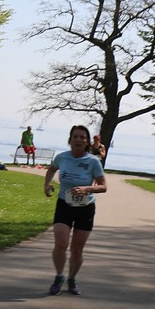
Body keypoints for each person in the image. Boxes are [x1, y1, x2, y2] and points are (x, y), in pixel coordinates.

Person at [43, 125, 107, 296]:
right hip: (64, 204)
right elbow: (51, 169)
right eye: (75, 137)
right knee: (61, 244)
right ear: (70, 139)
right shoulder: (62, 158)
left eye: (82, 137)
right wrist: (47, 184)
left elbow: (103, 186)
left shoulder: (93, 161)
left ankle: (71, 278)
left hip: (85, 208)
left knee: (77, 250)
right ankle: (59, 276)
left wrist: (87, 189)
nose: (79, 140)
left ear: (87, 142)